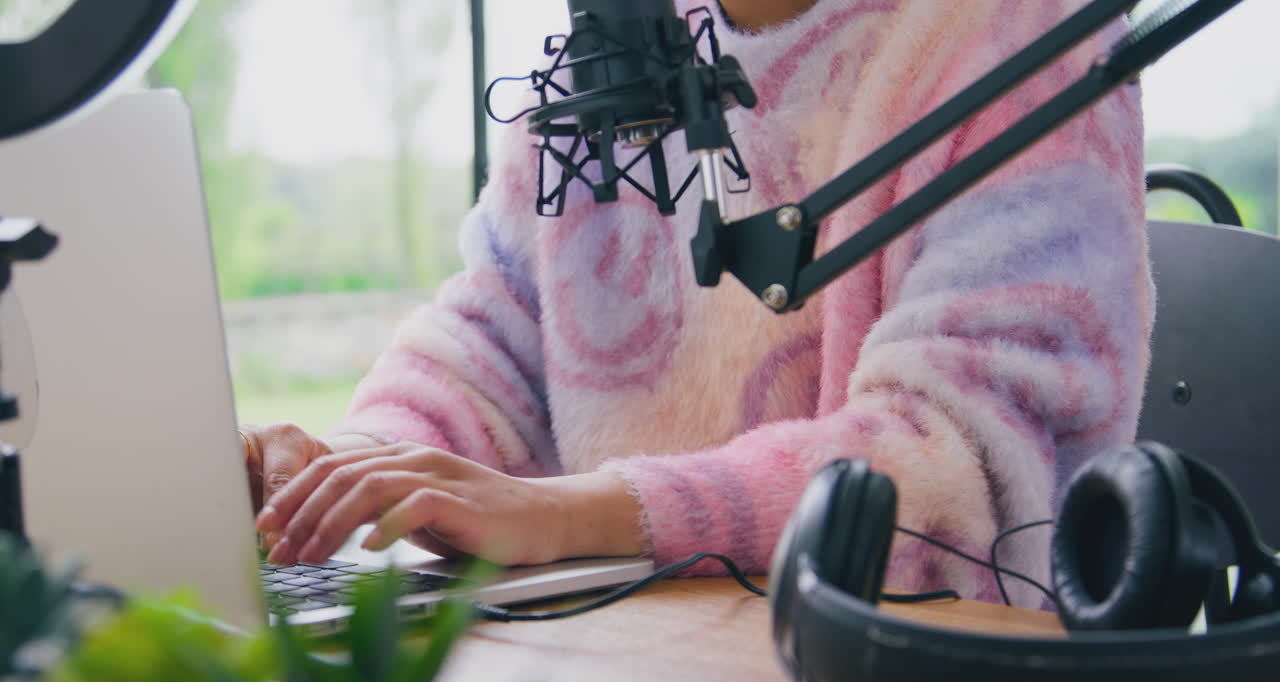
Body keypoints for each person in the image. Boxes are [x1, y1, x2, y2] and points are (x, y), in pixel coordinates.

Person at [243, 0, 1149, 608]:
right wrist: (349, 471)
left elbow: (961, 483)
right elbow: (486, 345)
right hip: (637, 654)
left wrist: (568, 514)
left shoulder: (1018, 46)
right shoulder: (620, 53)